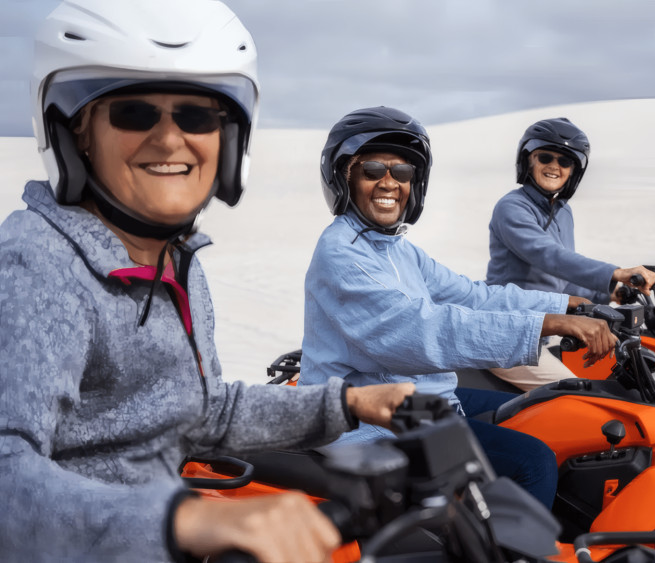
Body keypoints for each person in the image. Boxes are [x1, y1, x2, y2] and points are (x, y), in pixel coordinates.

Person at [0, 1, 413, 561]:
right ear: (79, 134)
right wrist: (185, 521)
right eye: (134, 112)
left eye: (196, 117)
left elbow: (203, 411)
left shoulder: (173, 262)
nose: (170, 141)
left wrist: (348, 403)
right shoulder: (40, 264)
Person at [300, 106, 616, 509]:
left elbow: (472, 295)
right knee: (533, 461)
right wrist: (545, 324)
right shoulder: (341, 255)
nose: (389, 182)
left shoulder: (397, 248)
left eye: (402, 172)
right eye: (373, 169)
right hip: (371, 422)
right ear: (344, 176)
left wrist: (568, 304)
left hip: (420, 400)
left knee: (545, 407)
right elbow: (420, 329)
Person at [485, 117, 655, 391]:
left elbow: (561, 279)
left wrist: (611, 292)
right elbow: (548, 256)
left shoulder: (563, 212)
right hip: (512, 333)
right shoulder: (512, 207)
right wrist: (614, 272)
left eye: (565, 162)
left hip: (548, 328)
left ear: (573, 171)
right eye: (545, 157)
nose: (555, 166)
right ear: (529, 160)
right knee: (577, 398)